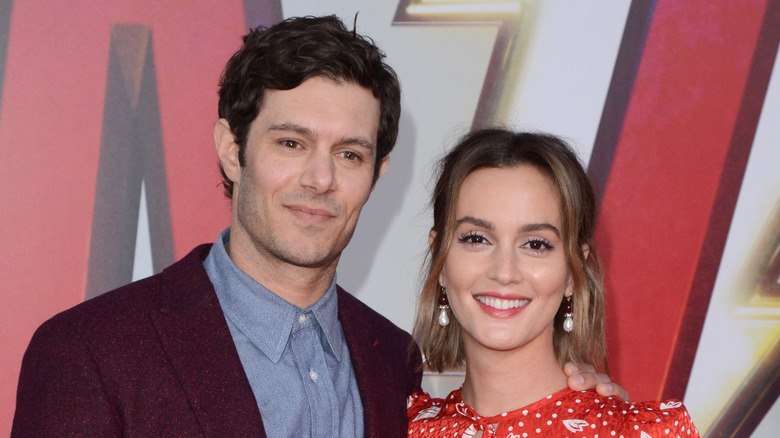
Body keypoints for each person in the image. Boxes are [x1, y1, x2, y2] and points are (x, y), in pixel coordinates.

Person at [12, 16, 624, 438]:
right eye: (291, 142)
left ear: (378, 173)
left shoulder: (393, 363)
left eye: (350, 154)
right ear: (232, 148)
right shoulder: (90, 353)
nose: (320, 179)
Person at [407, 129, 699, 437]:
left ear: (574, 272)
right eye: (477, 239)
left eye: (535, 244)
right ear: (439, 258)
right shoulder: (398, 426)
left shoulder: (638, 432)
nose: (504, 272)